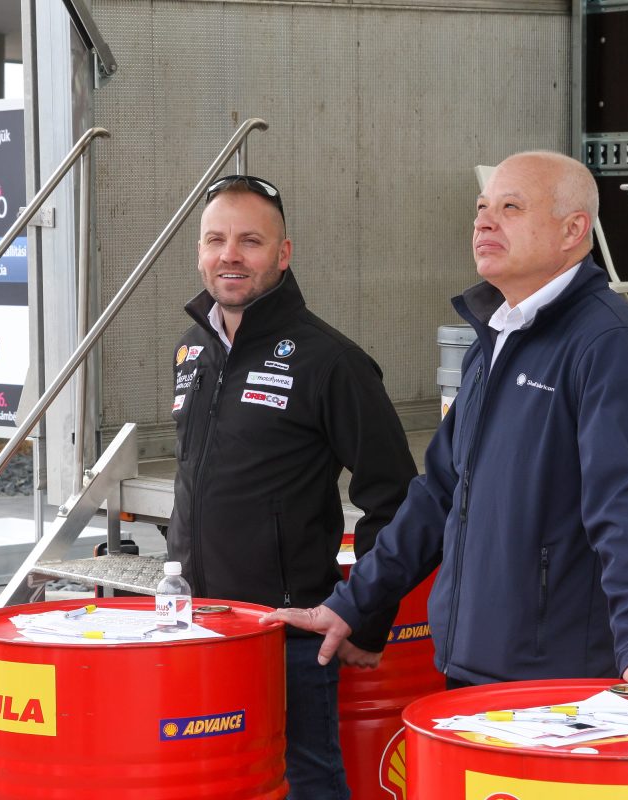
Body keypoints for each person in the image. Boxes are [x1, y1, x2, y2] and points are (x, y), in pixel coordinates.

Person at [263, 152, 628, 706]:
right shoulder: (495, 338)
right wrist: (351, 604)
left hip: (558, 680)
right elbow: (438, 495)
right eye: (482, 208)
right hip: (471, 664)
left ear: (573, 230)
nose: (483, 222)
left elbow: (625, 502)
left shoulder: (609, 343)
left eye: (510, 208)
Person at [168, 174, 418, 798]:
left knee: (306, 782)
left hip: (289, 633)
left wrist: (364, 618)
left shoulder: (331, 361)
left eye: (250, 241)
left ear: (283, 254)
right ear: (199, 252)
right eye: (215, 240)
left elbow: (395, 498)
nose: (229, 255)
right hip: (200, 626)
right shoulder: (191, 350)